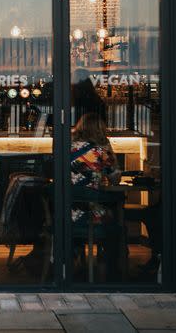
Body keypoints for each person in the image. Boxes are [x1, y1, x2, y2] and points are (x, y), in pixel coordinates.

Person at [70, 113, 123, 280]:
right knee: (115, 223)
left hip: (67, 213)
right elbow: (115, 179)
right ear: (100, 130)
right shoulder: (100, 152)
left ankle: (76, 257)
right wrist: (110, 154)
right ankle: (107, 270)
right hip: (92, 215)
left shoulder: (67, 147)